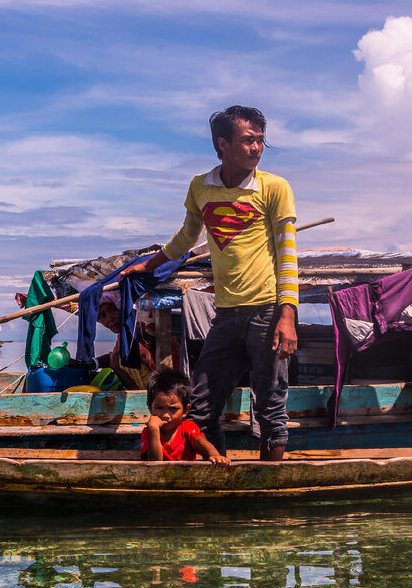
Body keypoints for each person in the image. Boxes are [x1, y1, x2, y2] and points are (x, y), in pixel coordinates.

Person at [123, 105, 298, 460]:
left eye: (261, 141)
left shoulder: (275, 187)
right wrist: (148, 266)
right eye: (248, 140)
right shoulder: (201, 187)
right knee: (200, 406)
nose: (257, 148)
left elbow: (288, 255)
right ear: (223, 143)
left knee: (270, 408)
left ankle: (268, 484)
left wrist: (288, 314)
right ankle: (219, 470)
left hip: (267, 313)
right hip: (226, 315)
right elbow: (185, 238)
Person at [141, 367, 228, 465]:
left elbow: (200, 441)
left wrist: (213, 454)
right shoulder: (148, 432)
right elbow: (155, 465)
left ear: (185, 410)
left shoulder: (187, 428)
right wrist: (154, 430)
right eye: (159, 408)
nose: (165, 415)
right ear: (149, 407)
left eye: (173, 409)